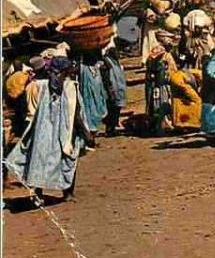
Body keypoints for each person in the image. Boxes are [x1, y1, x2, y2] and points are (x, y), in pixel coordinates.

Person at [5, 57, 91, 202]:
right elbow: (74, 112)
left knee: (40, 160)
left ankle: (38, 193)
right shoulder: (69, 86)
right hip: (65, 129)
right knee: (68, 160)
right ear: (65, 70)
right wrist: (85, 133)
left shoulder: (40, 85)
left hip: (42, 130)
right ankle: (68, 193)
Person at [145, 34, 178, 135]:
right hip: (162, 85)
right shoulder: (167, 57)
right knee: (163, 105)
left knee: (155, 105)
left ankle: (156, 126)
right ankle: (163, 126)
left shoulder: (152, 57)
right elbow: (173, 71)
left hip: (155, 85)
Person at [169, 57, 203, 132]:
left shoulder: (195, 71)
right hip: (181, 81)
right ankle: (195, 123)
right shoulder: (201, 74)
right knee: (197, 100)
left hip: (174, 79)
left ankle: (179, 122)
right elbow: (200, 87)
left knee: (178, 101)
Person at [79, 54, 108, 136]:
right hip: (87, 95)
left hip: (97, 94)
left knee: (96, 110)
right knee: (89, 111)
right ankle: (91, 130)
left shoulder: (96, 67)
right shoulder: (83, 69)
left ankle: (93, 129)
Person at [101, 47, 127, 137]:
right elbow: (106, 78)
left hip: (118, 88)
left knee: (116, 109)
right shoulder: (107, 63)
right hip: (112, 89)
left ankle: (112, 128)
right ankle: (110, 129)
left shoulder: (115, 62)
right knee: (112, 110)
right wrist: (110, 90)